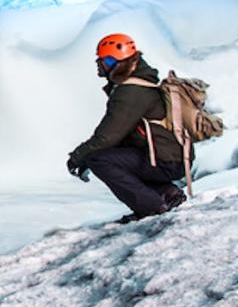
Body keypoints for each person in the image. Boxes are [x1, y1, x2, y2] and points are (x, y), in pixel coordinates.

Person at [66, 33, 188, 223]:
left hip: (166, 161)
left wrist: (77, 158)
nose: (99, 64)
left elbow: (108, 136)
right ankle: (167, 193)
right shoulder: (138, 83)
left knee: (99, 159)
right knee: (115, 154)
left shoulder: (131, 91)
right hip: (169, 157)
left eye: (103, 59)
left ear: (114, 62)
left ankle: (151, 207)